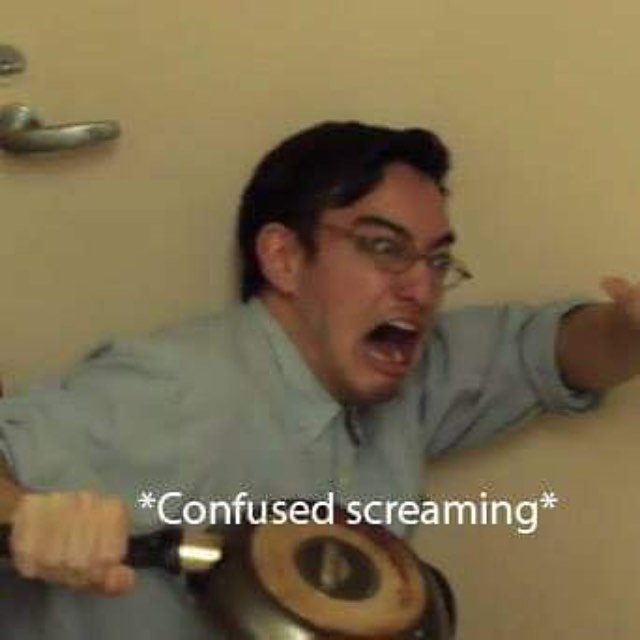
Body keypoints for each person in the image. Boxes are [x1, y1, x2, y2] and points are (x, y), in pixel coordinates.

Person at [1, 121, 639, 639]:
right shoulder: (175, 390)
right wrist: (30, 517)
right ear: (283, 258)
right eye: (385, 247)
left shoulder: (402, 376)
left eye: (437, 259)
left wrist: (629, 330)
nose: (421, 287)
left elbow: (542, 355)